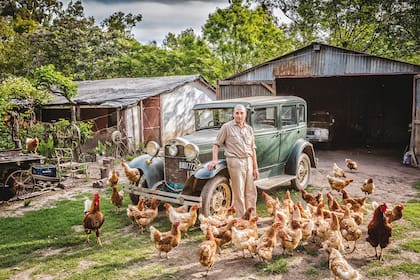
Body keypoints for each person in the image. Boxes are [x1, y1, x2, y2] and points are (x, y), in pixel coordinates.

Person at [207, 104, 259, 217]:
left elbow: (253, 149)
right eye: (237, 113)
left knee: (250, 191)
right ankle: (241, 218)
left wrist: (255, 168)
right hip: (235, 162)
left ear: (245, 115)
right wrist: (214, 160)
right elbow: (216, 145)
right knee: (239, 192)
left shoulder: (249, 129)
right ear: (233, 114)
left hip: (248, 161)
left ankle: (251, 217)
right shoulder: (226, 127)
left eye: (241, 113)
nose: (239, 115)